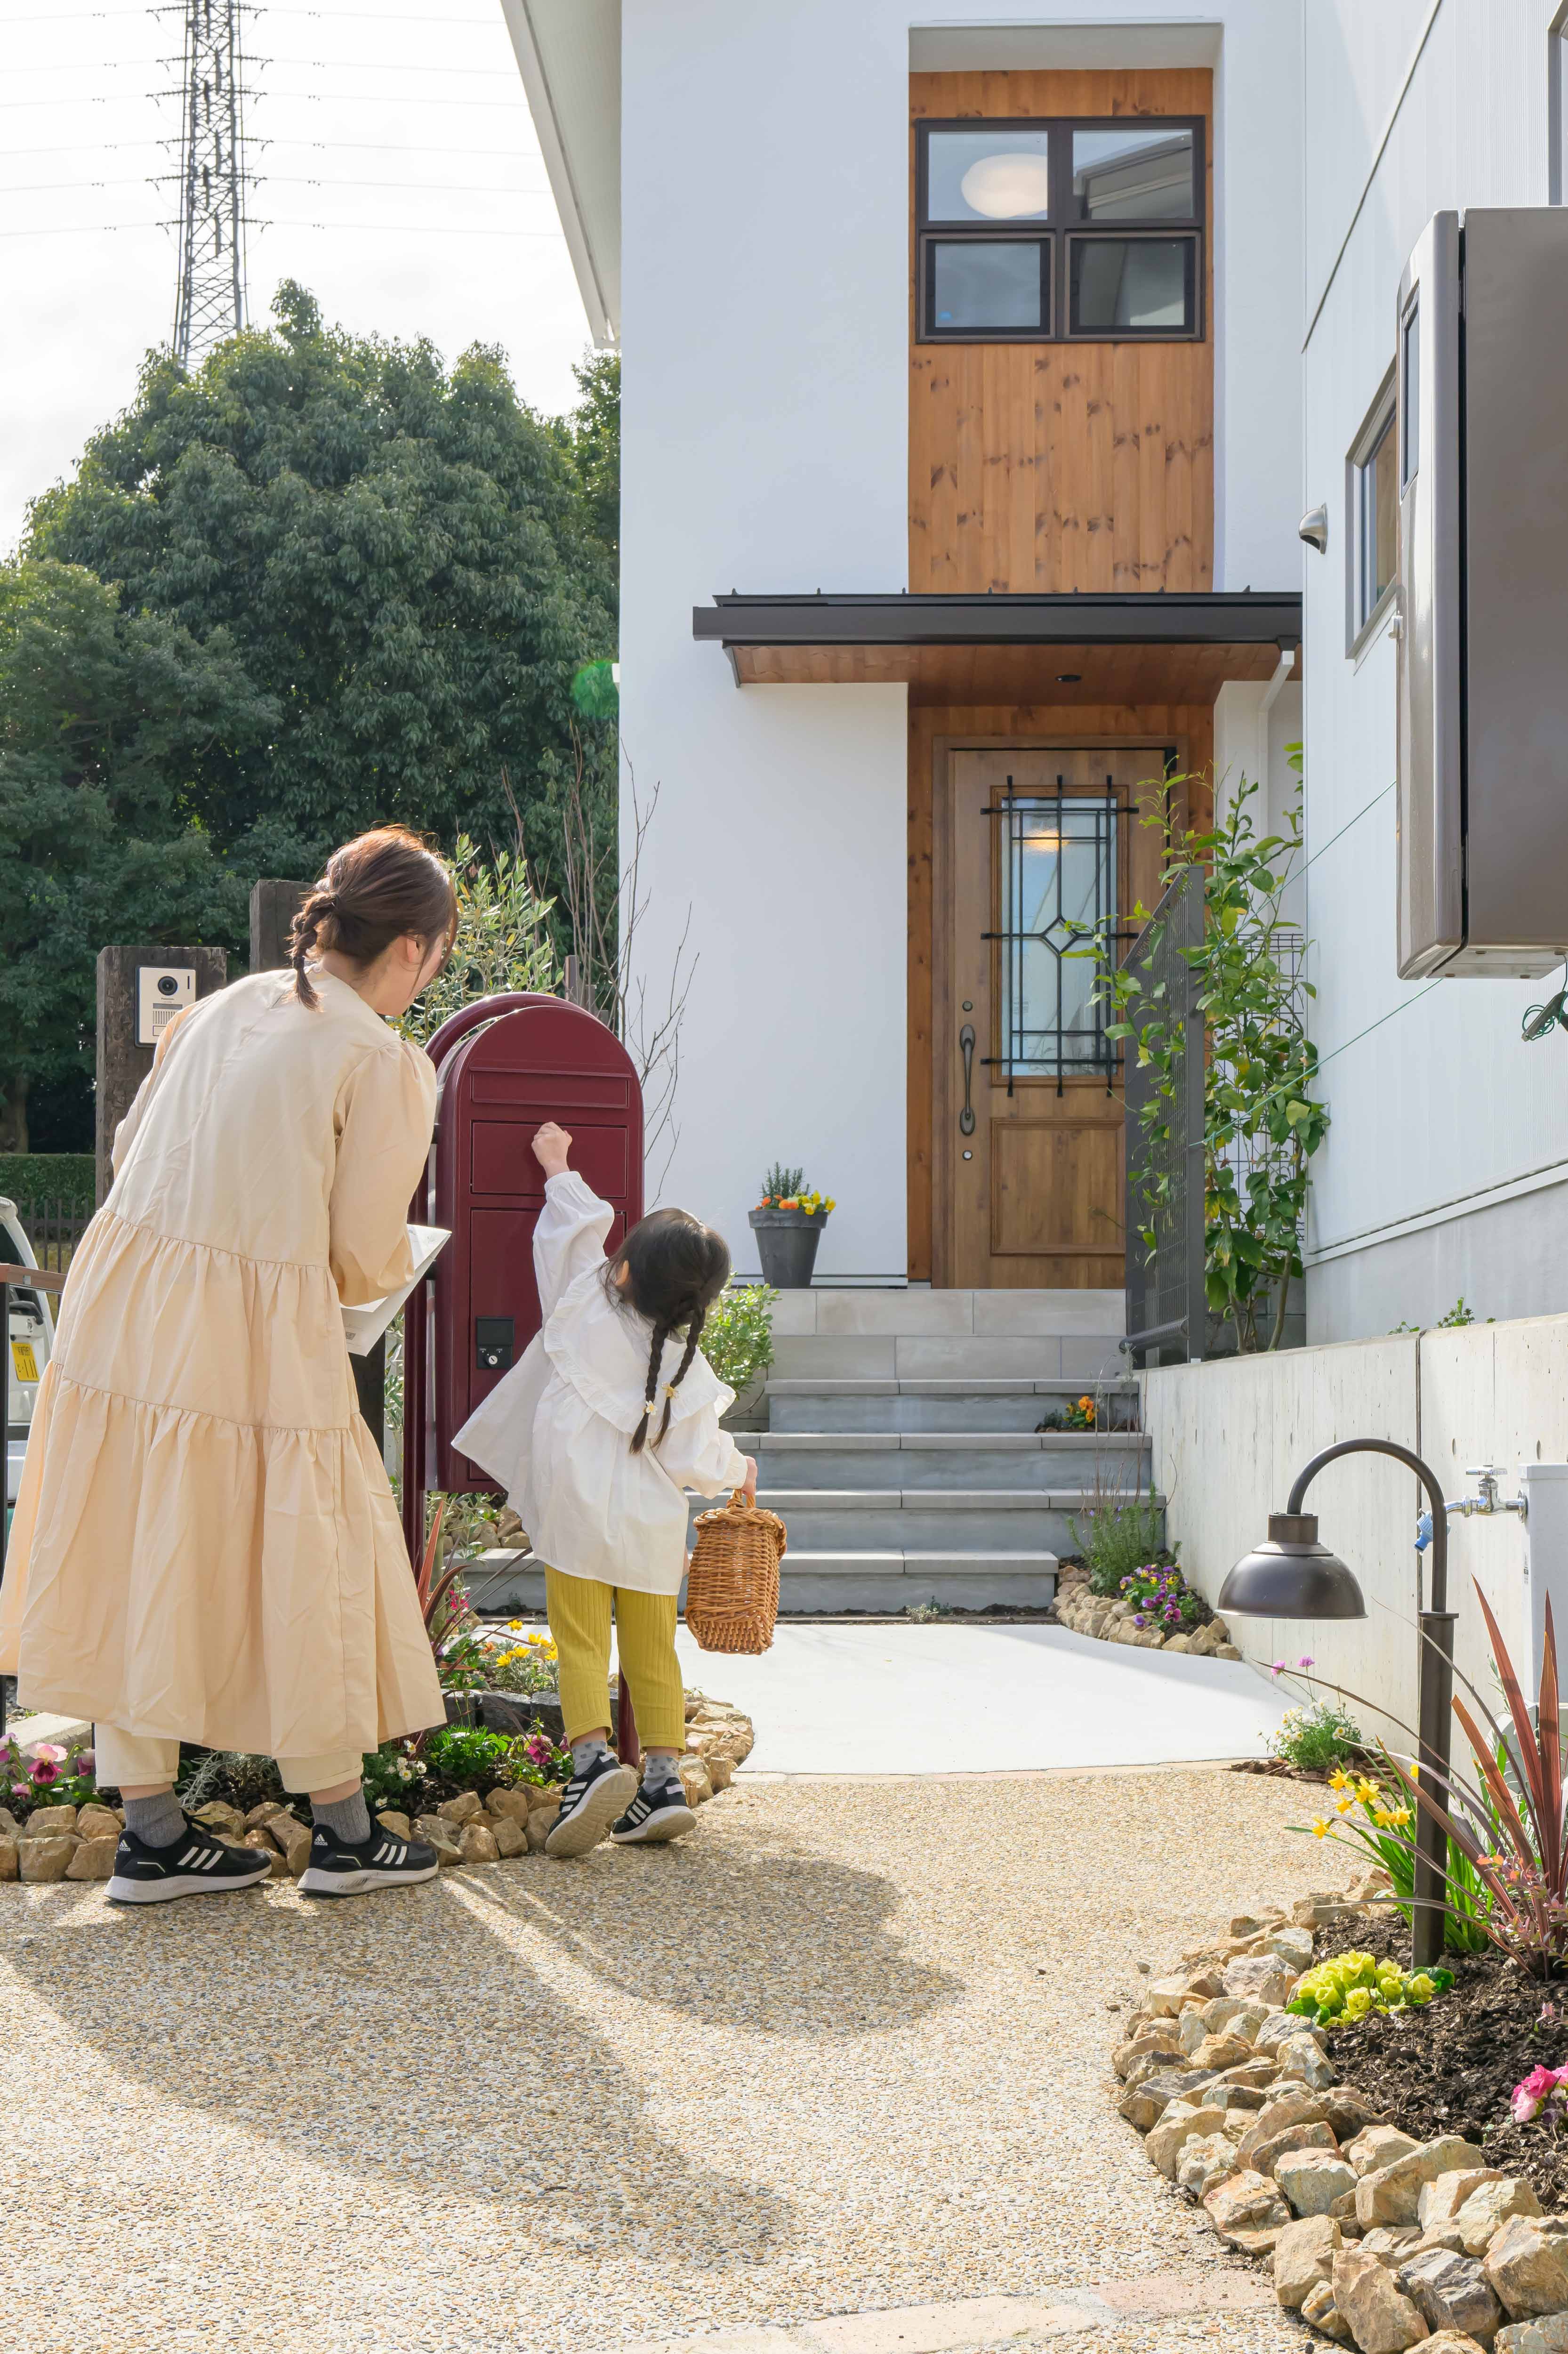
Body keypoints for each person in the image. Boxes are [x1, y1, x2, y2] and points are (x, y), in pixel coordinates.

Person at [0, 826, 458, 1904]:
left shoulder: (220, 1007)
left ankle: (152, 1829)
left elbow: (127, 1153)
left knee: (143, 1527)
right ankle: (345, 1830)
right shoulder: (380, 1059)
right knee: (312, 1542)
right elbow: (358, 1250)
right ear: (413, 950)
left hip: (129, 1299)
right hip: (256, 1320)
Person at [456, 1122, 755, 1856]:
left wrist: (557, 1164)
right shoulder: (684, 1365)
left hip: (575, 1509)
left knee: (582, 1640)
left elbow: (572, 1231)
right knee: (655, 1649)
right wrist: (738, 1468)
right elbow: (699, 1456)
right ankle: (662, 1780)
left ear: (624, 1271)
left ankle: (589, 1765)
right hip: (650, 1523)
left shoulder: (586, 1301)